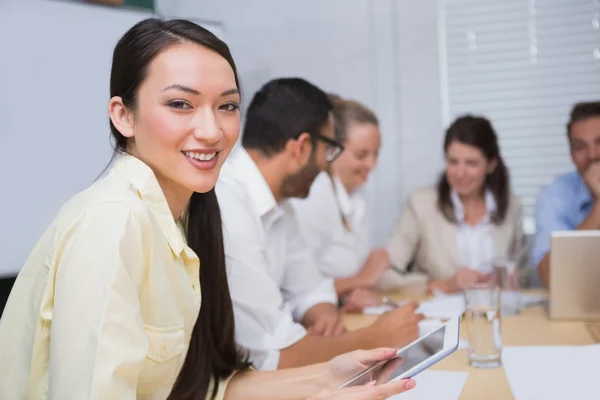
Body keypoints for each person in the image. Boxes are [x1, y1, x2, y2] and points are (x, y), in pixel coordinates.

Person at [0, 18, 417, 400]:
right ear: (123, 116)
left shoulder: (193, 212)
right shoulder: (113, 222)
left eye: (227, 106)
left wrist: (327, 377)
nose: (212, 131)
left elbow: (208, 387)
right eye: (181, 104)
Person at [216, 78, 423, 371]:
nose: (328, 164)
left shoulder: (280, 206)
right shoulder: (228, 207)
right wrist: (377, 337)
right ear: (301, 147)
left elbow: (310, 288)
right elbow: (274, 356)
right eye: (329, 150)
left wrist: (322, 314)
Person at [386, 115, 525, 294]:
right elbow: (385, 273)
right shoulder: (420, 204)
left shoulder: (512, 206)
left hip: (496, 312)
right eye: (453, 162)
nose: (460, 173)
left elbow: (524, 272)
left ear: (491, 165)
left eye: (471, 163)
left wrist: (505, 280)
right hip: (439, 316)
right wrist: (441, 285)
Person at [292, 98, 391, 312]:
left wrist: (351, 291)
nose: (372, 165)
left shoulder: (359, 193)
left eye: (376, 153)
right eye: (361, 154)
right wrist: (363, 279)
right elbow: (294, 290)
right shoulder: (317, 194)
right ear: (332, 149)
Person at [533, 101, 600, 287]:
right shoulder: (554, 195)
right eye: (580, 147)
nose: (593, 155)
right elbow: (550, 277)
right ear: (571, 154)